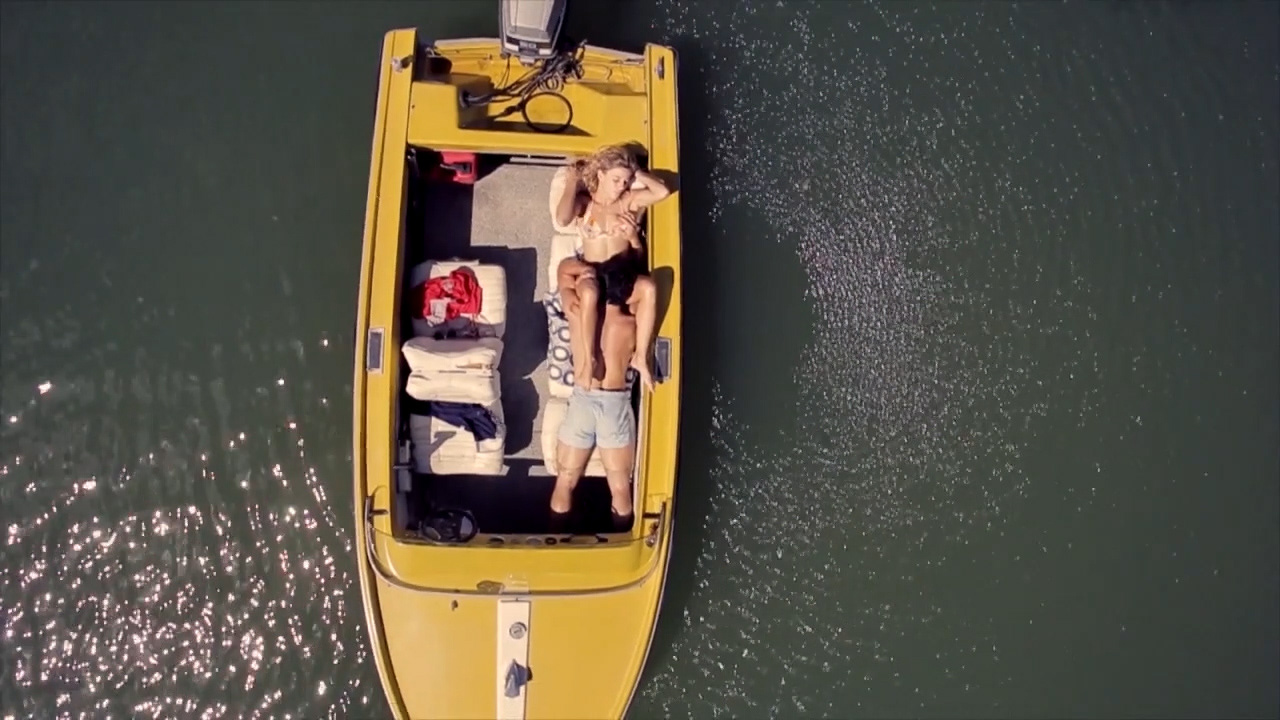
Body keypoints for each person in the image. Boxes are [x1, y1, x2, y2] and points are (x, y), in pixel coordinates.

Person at [553, 145, 672, 392]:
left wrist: (637, 174)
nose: (621, 186)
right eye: (616, 180)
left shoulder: (628, 202)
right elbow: (562, 219)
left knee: (649, 288)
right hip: (593, 272)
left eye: (625, 182)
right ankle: (589, 360)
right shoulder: (585, 205)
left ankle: (640, 356)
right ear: (601, 175)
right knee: (589, 292)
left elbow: (662, 192)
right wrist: (573, 182)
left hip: (620, 273)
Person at [550, 304, 642, 523]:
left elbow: (562, 300)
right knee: (620, 487)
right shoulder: (630, 320)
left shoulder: (579, 312)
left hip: (584, 399)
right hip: (614, 403)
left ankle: (557, 533)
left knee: (565, 481)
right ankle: (622, 535)